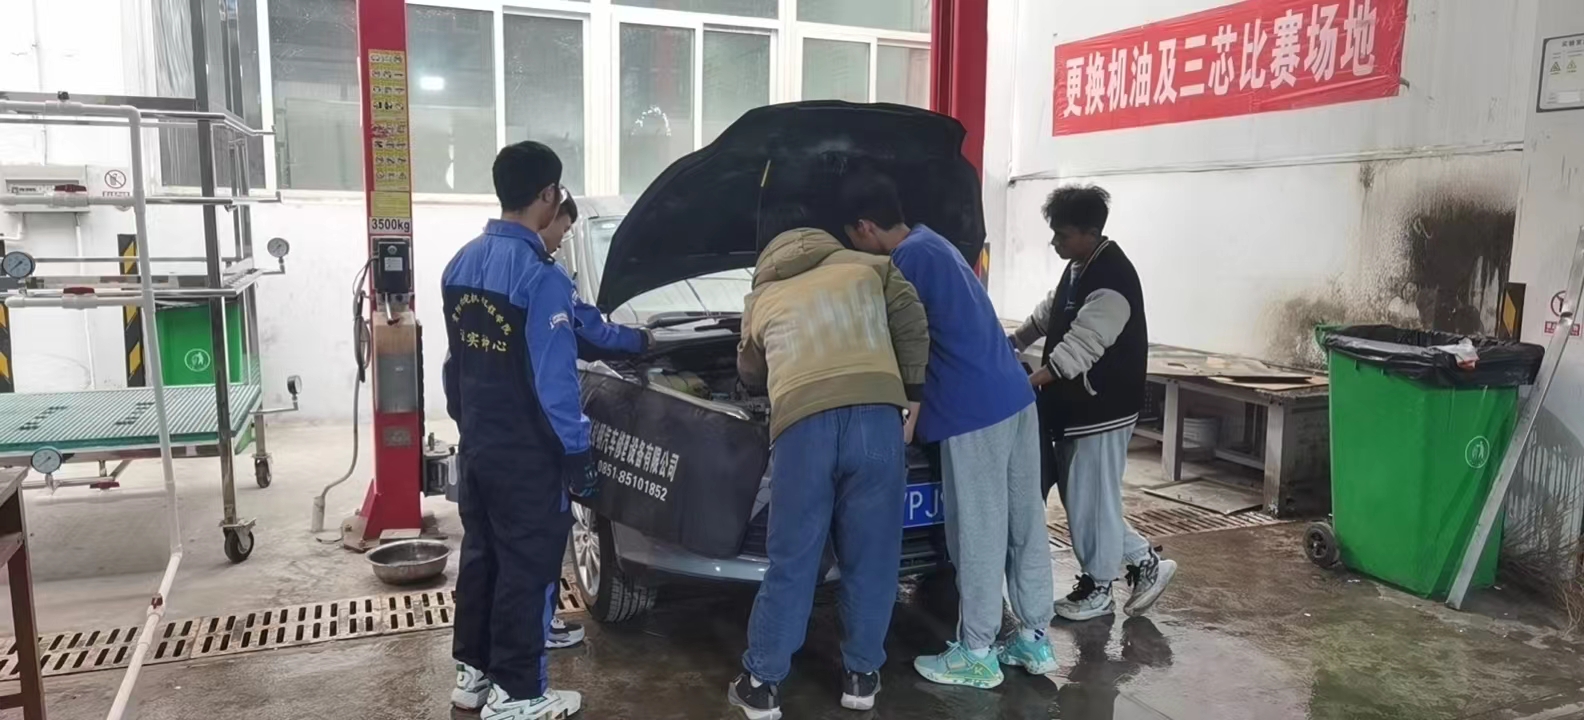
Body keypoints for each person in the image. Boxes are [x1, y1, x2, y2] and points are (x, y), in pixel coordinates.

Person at [838, 171, 1055, 689]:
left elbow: (897, 341)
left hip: (972, 409)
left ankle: (977, 652)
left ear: (864, 227)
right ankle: (1033, 637)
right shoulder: (934, 243)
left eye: (851, 237)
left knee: (977, 529)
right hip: (1015, 396)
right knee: (1024, 523)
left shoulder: (905, 262)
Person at [730, 204, 930, 719]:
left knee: (793, 558)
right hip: (877, 419)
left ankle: (762, 683)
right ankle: (861, 677)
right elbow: (912, 320)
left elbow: (749, 370)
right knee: (873, 556)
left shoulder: (762, 296)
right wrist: (911, 394)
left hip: (804, 426)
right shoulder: (872, 268)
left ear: (768, 256)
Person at [443, 141, 593, 719]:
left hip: (479, 445)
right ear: (548, 194)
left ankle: (474, 676)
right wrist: (577, 454)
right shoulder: (540, 278)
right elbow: (555, 385)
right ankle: (520, 694)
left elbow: (455, 366)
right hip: (528, 456)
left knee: (482, 558)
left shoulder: (460, 263)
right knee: (528, 569)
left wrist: (469, 424)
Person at [1009, 185, 1177, 622]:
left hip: (1102, 410)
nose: (1055, 242)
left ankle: (1099, 588)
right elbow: (1050, 313)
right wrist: (1011, 342)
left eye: (1062, 235)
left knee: (1089, 501)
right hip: (1076, 408)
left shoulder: (1112, 279)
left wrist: (1025, 383)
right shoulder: (1080, 267)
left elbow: (1080, 348)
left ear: (1090, 231)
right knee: (1087, 500)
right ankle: (1143, 561)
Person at [542, 196, 653, 359]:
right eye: (565, 230)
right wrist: (641, 339)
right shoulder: (547, 274)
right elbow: (591, 330)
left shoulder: (505, 256)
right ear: (549, 218)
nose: (560, 244)